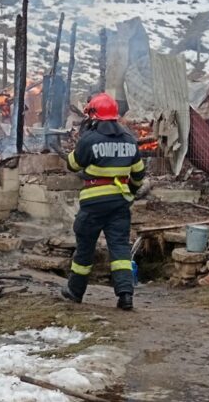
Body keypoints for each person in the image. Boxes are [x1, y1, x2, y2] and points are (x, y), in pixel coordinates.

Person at [60, 92, 145, 311]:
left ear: (94, 115)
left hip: (93, 203)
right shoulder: (129, 140)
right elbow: (138, 174)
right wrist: (130, 192)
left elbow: (73, 165)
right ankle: (125, 295)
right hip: (120, 203)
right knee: (120, 248)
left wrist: (79, 144)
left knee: (85, 247)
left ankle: (75, 291)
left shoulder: (90, 139)